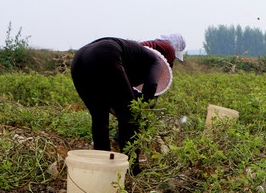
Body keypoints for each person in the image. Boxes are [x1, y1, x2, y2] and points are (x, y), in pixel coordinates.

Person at [70, 34, 183, 166]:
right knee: (130, 117)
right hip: (106, 53)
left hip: (79, 59)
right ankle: (132, 168)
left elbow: (114, 91)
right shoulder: (155, 61)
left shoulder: (131, 59)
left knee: (99, 116)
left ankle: (102, 164)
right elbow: (151, 84)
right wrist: (142, 108)